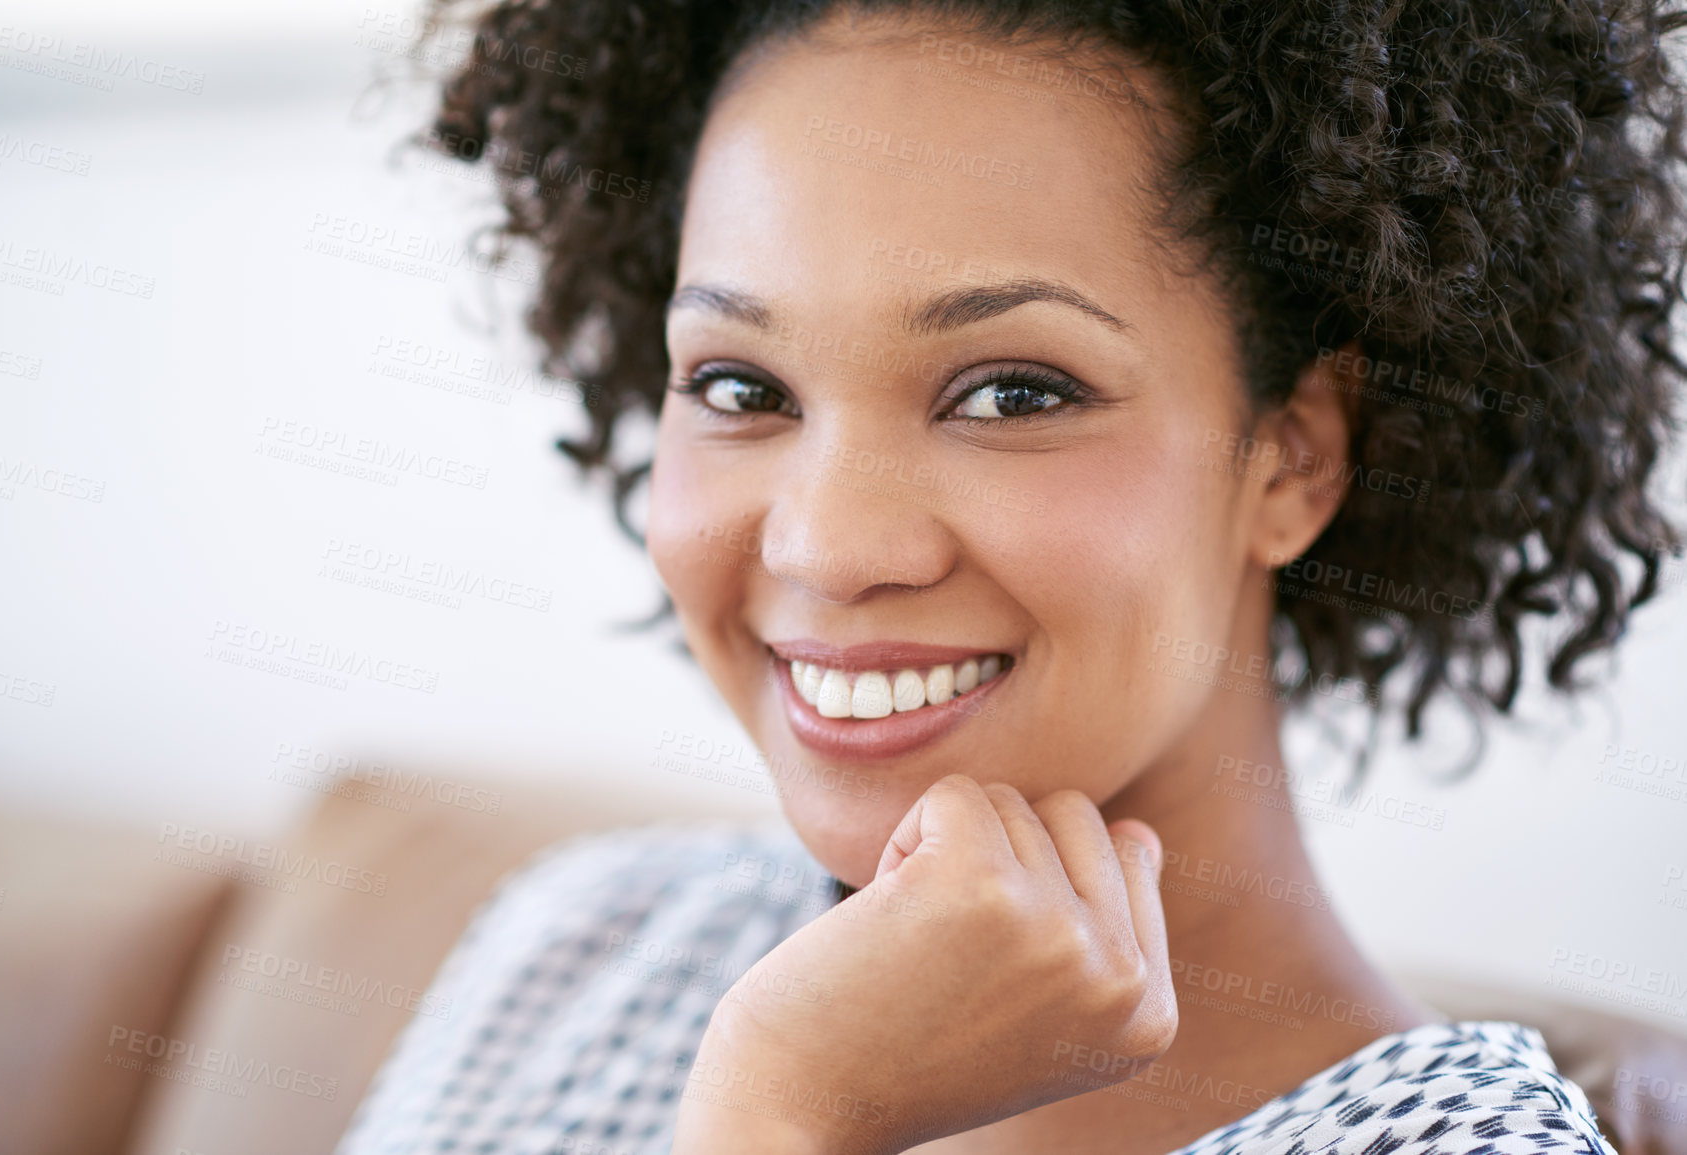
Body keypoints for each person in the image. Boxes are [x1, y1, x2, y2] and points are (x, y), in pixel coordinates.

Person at [335, 1, 1687, 1152]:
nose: (826, 545)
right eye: (742, 385)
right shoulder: (587, 944)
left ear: (1291, 457)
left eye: (1010, 395)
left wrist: (791, 1111)